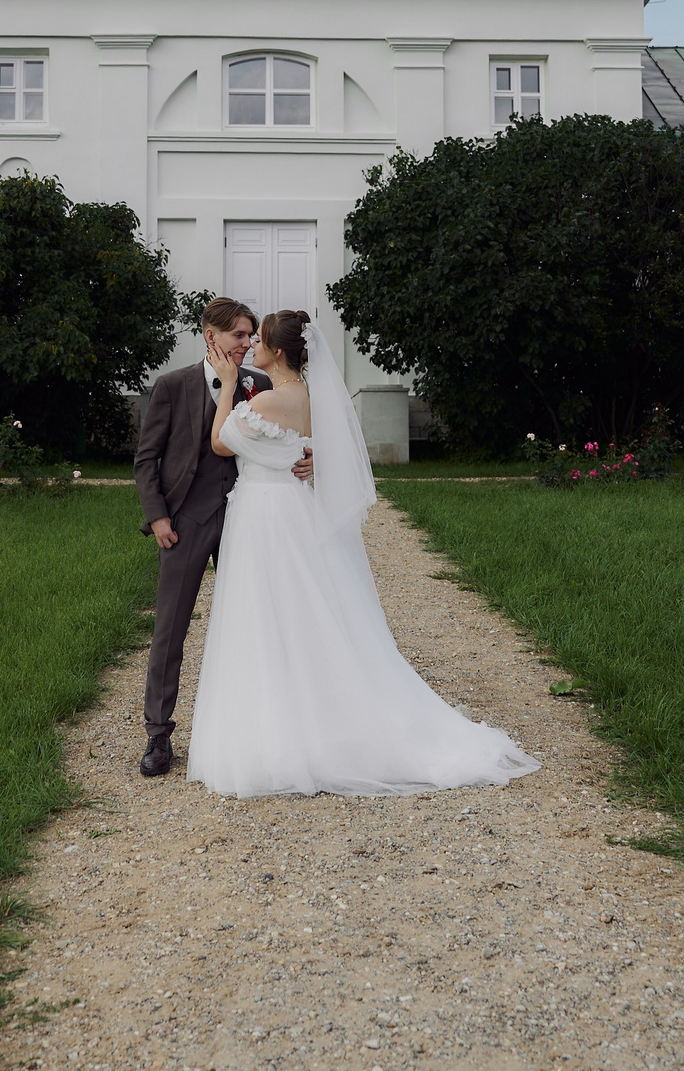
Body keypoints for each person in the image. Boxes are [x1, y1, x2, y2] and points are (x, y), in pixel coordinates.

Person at [185, 308, 539, 797]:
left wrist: (227, 385)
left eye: (259, 339)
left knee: (271, 617)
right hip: (288, 511)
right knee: (299, 616)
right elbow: (313, 446)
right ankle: (306, 717)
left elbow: (221, 444)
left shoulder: (266, 399)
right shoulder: (306, 396)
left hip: (268, 516)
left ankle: (286, 733)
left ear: (279, 351)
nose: (252, 347)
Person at [131, 297, 309, 778]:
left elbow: (292, 435)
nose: (248, 343)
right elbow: (146, 460)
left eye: (252, 335)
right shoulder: (172, 387)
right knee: (170, 629)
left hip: (248, 524)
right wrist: (159, 517)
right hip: (186, 522)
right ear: (211, 336)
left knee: (258, 624)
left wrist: (312, 459)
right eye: (239, 335)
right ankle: (158, 736)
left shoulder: (263, 384)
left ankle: (258, 731)